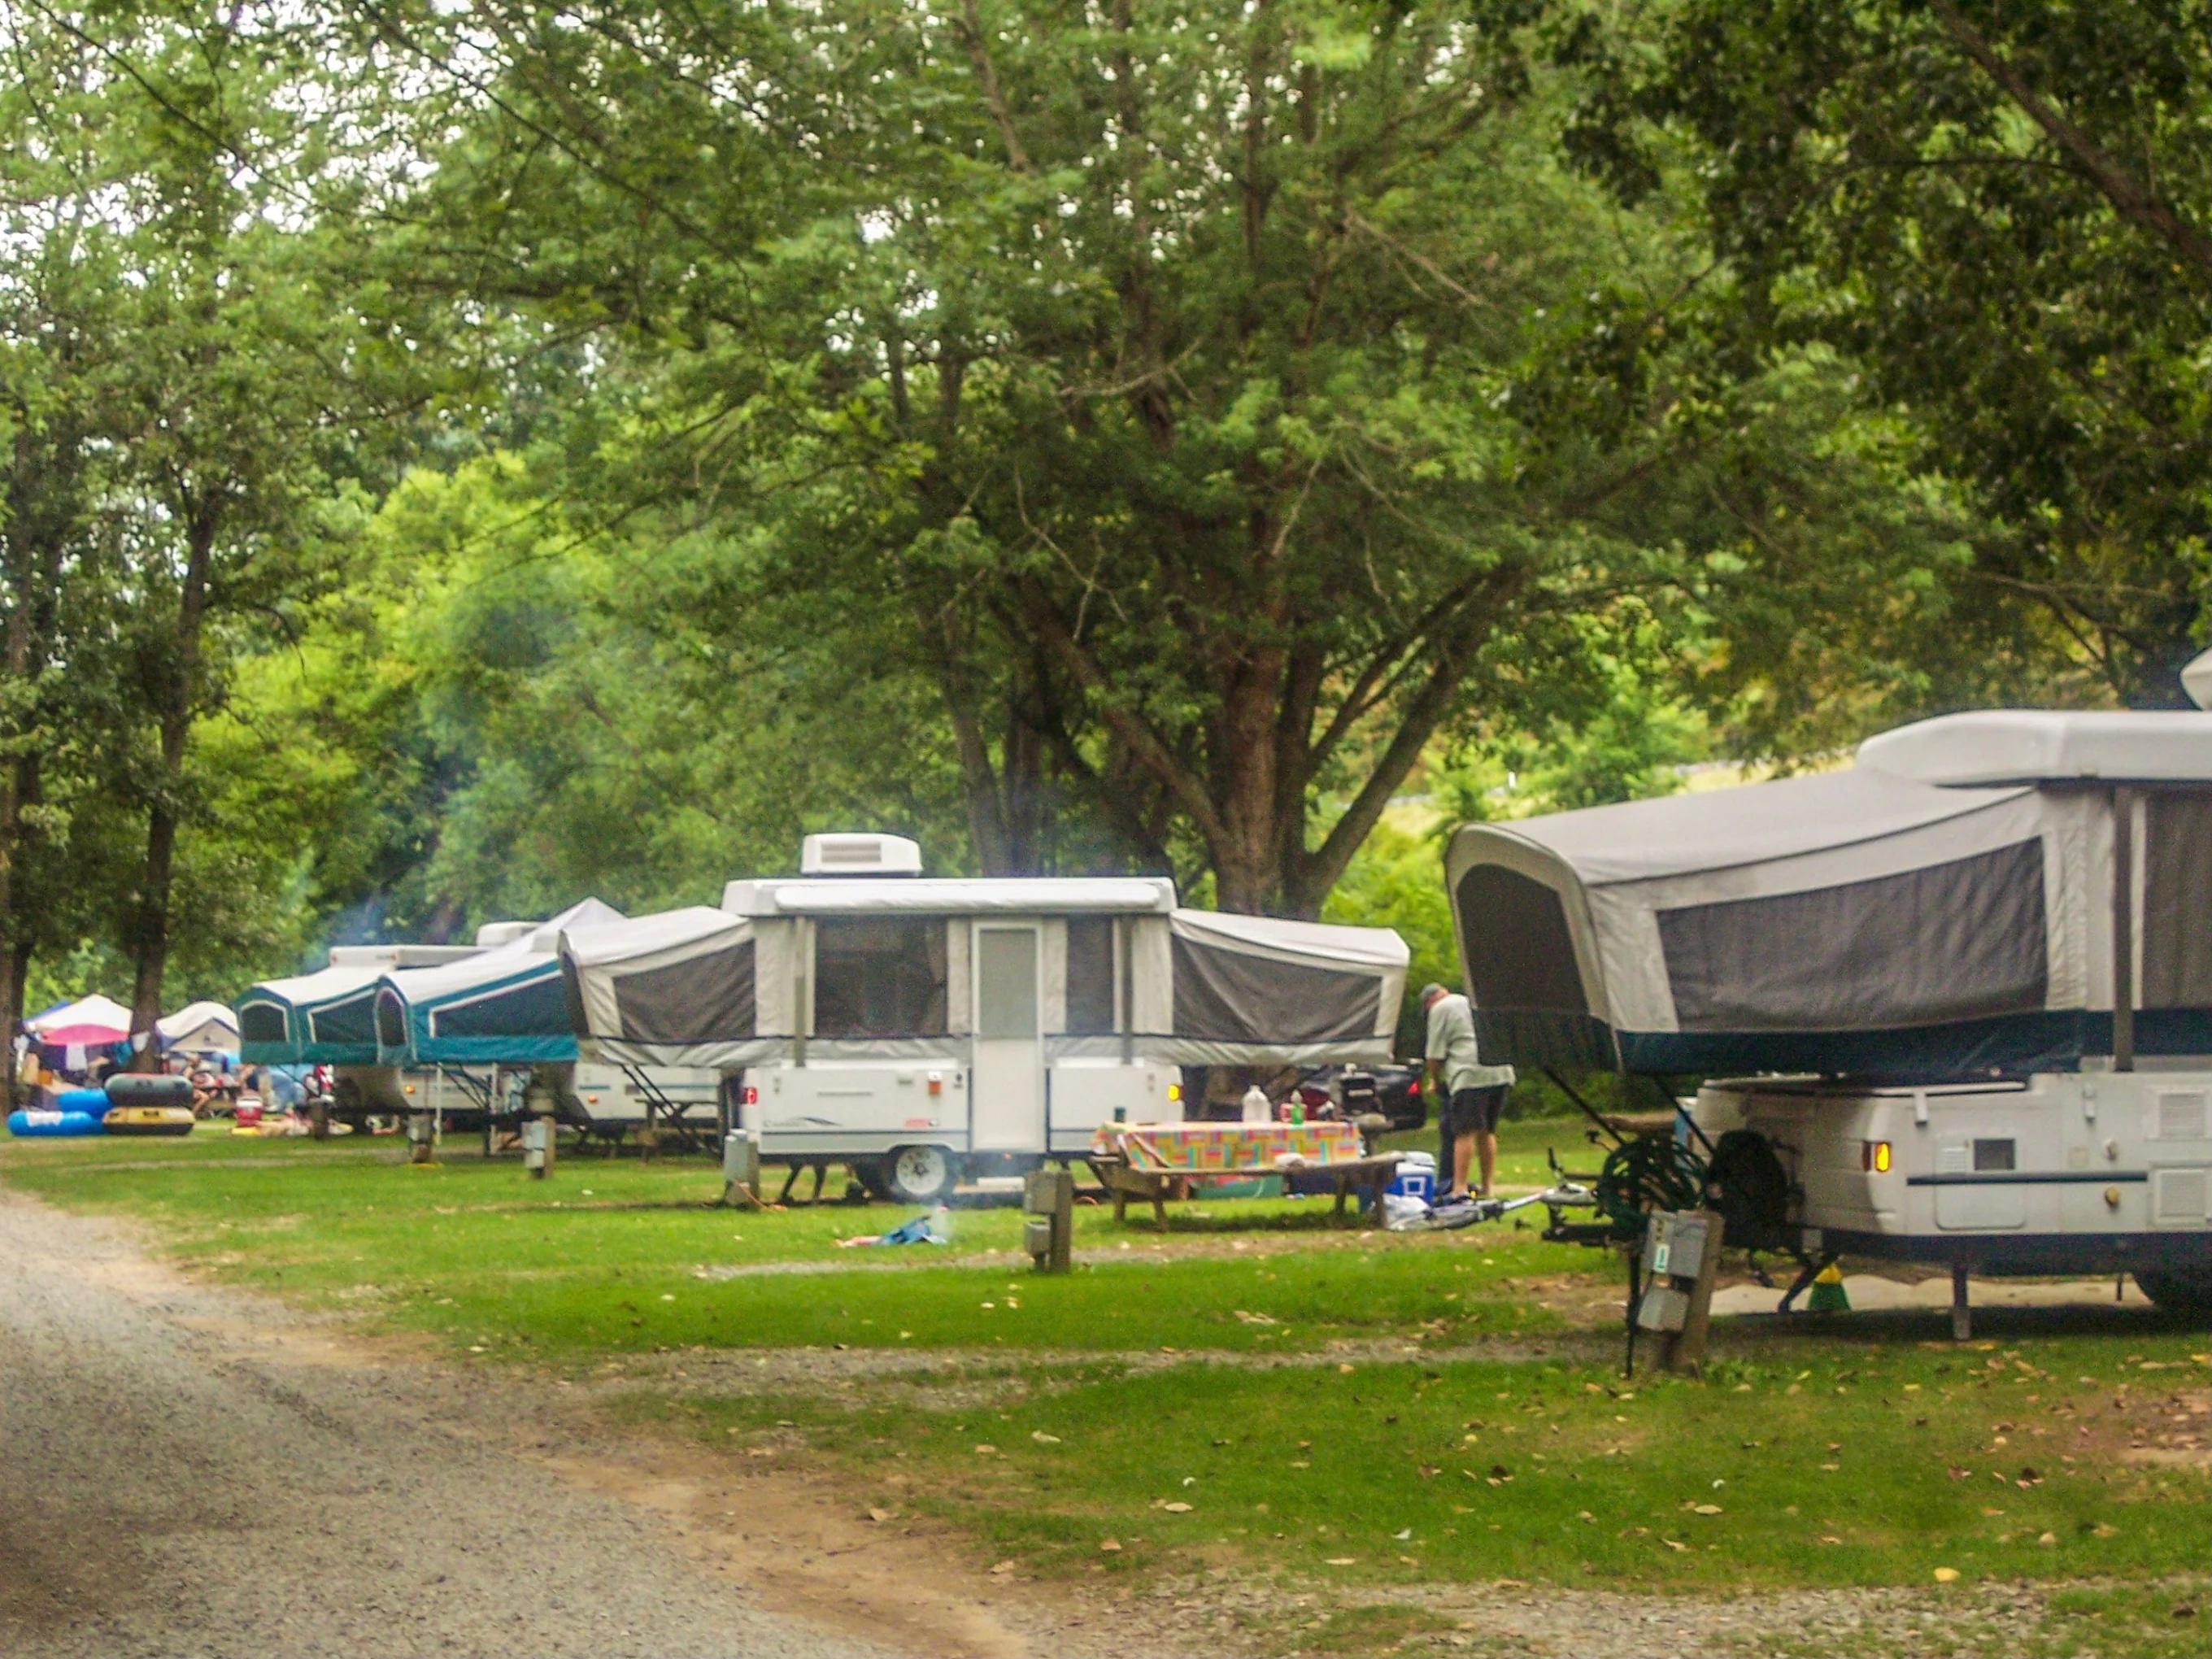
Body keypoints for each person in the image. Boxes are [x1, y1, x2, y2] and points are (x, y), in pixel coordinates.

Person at [1421, 982, 1515, 1203]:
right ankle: (1488, 1187)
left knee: (1465, 1132)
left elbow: (1434, 1054)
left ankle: (1459, 1188)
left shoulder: (1439, 1009)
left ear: (1429, 1002)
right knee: (1487, 1132)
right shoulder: (1472, 1001)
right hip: (1501, 1071)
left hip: (1470, 1074)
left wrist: (1434, 1080)